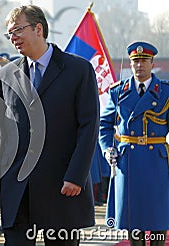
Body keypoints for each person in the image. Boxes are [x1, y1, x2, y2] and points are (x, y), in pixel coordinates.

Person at [0, 5, 99, 246]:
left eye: (17, 30)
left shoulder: (78, 70)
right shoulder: (6, 75)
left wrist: (76, 176)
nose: (13, 38)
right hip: (17, 188)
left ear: (39, 29)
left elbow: (88, 127)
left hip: (62, 186)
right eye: (9, 33)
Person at [99, 41, 169, 246]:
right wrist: (107, 150)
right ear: (130, 64)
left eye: (144, 61)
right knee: (133, 219)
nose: (139, 65)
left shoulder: (165, 92)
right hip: (127, 162)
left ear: (152, 63)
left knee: (158, 216)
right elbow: (104, 125)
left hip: (156, 160)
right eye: (135, 61)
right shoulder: (118, 91)